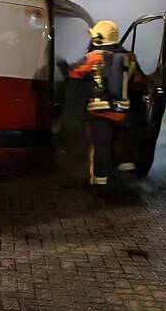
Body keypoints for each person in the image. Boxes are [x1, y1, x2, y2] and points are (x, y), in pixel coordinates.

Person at [61, 20, 147, 187]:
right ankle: (127, 181)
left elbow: (73, 72)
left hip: (98, 113)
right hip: (122, 112)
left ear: (97, 38)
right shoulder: (129, 58)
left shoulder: (93, 57)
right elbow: (138, 81)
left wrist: (60, 63)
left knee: (101, 148)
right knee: (122, 146)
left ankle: (100, 186)